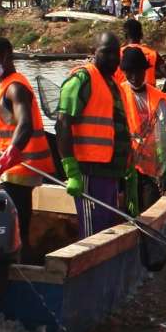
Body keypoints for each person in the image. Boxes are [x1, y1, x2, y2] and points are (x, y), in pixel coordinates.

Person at [0, 37, 56, 253]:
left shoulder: (15, 87)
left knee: (18, 224)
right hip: (10, 167)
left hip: (19, 168)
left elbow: (25, 126)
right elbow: (7, 130)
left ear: (6, 57)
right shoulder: (5, 85)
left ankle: (22, 264)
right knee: (18, 222)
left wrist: (5, 161)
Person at [56, 32, 132, 238]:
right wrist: (71, 170)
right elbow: (62, 124)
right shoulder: (82, 79)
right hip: (89, 170)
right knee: (92, 232)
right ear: (93, 52)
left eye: (116, 54)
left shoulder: (113, 84)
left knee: (107, 227)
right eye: (106, 53)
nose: (113, 58)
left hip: (110, 172)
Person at [117, 47, 166, 210]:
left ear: (145, 71)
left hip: (150, 167)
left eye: (138, 72)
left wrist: (163, 168)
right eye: (130, 73)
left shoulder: (157, 98)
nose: (134, 77)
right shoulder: (118, 92)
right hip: (124, 165)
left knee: (149, 208)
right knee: (124, 206)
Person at [113, 17, 166, 89]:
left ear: (126, 36)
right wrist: (161, 95)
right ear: (141, 35)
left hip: (124, 97)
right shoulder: (153, 54)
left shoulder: (116, 54)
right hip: (149, 98)